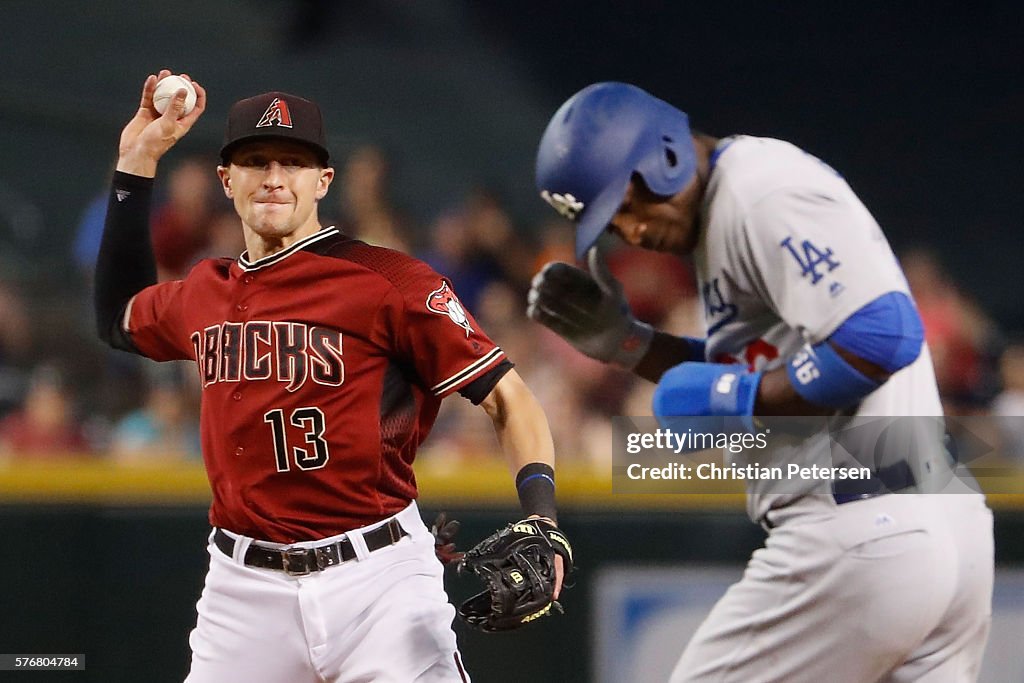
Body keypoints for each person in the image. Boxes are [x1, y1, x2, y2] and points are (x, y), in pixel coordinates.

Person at [95, 70, 569, 682]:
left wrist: (542, 517)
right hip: (242, 591)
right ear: (226, 180)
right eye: (255, 160)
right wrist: (137, 159)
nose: (272, 178)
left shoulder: (388, 280)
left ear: (323, 180)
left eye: (292, 163)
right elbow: (116, 316)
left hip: (378, 581)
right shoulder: (203, 291)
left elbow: (510, 399)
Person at [529, 82, 993, 682]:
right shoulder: (734, 204)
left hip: (860, 528)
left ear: (664, 155)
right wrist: (632, 346)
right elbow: (785, 367)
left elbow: (882, 336)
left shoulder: (757, 190)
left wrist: (736, 401)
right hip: (930, 511)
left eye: (627, 204)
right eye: (612, 225)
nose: (632, 232)